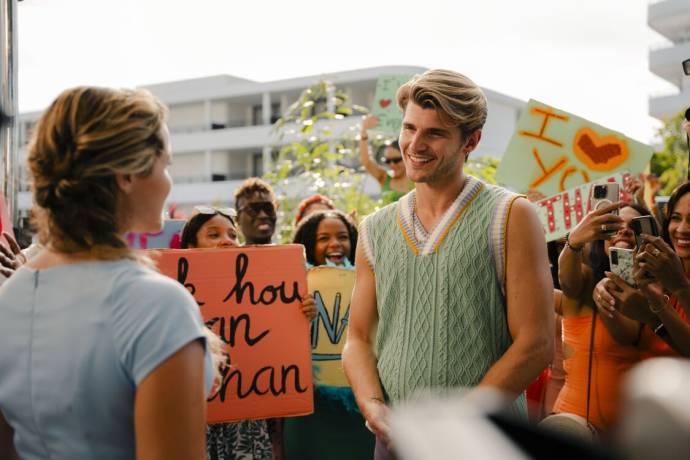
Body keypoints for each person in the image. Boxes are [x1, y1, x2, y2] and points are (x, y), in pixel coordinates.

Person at [342, 69, 554, 458]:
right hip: (394, 441)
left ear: (470, 141)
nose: (414, 144)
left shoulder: (510, 215)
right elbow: (358, 337)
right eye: (409, 128)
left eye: (434, 133)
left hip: (484, 441)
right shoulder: (374, 228)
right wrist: (372, 406)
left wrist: (456, 425)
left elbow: (536, 344)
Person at [0, 87, 214, 459]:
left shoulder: (10, 296)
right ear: (127, 175)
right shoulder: (157, 306)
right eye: (166, 165)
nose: (168, 182)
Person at [180, 206, 316, 460]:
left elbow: (275, 346)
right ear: (190, 245)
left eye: (232, 234)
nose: (226, 241)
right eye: (213, 234)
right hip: (195, 420)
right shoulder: (173, 295)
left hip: (246, 424)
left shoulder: (260, 286)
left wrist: (298, 315)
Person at [553, 201, 652, 432]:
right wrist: (574, 241)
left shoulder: (657, 292)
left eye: (634, 226)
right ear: (601, 236)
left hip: (630, 436)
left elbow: (627, 334)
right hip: (575, 429)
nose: (625, 230)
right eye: (615, 224)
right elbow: (568, 282)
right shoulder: (586, 281)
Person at [284, 210, 374, 459]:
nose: (335, 244)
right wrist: (296, 314)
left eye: (342, 237)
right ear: (308, 243)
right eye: (324, 238)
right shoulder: (289, 284)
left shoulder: (373, 278)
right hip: (310, 408)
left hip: (359, 405)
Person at [594, 181, 690, 358]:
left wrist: (657, 312)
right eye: (676, 217)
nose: (682, 229)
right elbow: (627, 337)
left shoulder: (673, 280)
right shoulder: (654, 275)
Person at [359, 115, 413, 204]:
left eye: (396, 160)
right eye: (387, 161)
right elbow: (366, 162)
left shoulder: (418, 181)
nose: (392, 164)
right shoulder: (384, 178)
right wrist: (363, 131)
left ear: (406, 156)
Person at [234, 178, 278, 245]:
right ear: (238, 218)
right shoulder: (229, 255)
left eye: (268, 208)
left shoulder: (292, 254)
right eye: (253, 210)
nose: (263, 215)